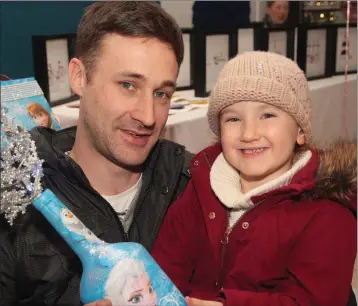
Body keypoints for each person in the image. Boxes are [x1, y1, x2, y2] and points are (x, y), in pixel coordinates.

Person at [0, 2, 193, 305]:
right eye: (127, 85)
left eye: (161, 94)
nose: (148, 116)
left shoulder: (193, 184)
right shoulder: (17, 201)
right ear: (78, 77)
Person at [152, 51, 357, 306]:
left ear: (300, 131)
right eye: (234, 119)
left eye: (267, 115)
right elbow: (166, 268)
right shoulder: (201, 187)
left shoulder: (327, 211)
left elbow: (314, 300)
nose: (249, 133)